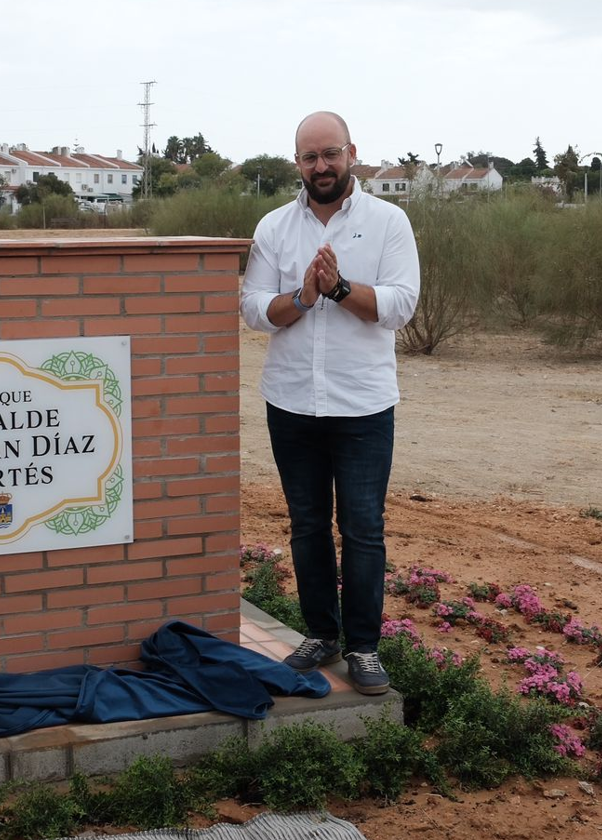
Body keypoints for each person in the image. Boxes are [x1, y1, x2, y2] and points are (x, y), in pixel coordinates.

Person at [239, 112, 420, 695]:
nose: (321, 166)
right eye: (310, 157)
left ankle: (364, 648)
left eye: (331, 154)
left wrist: (339, 289)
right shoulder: (273, 227)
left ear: (351, 154)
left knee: (363, 529)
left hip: (363, 406)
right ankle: (322, 634)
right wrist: (304, 294)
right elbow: (254, 310)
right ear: (297, 163)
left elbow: (400, 305)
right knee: (308, 525)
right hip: (291, 403)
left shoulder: (388, 222)